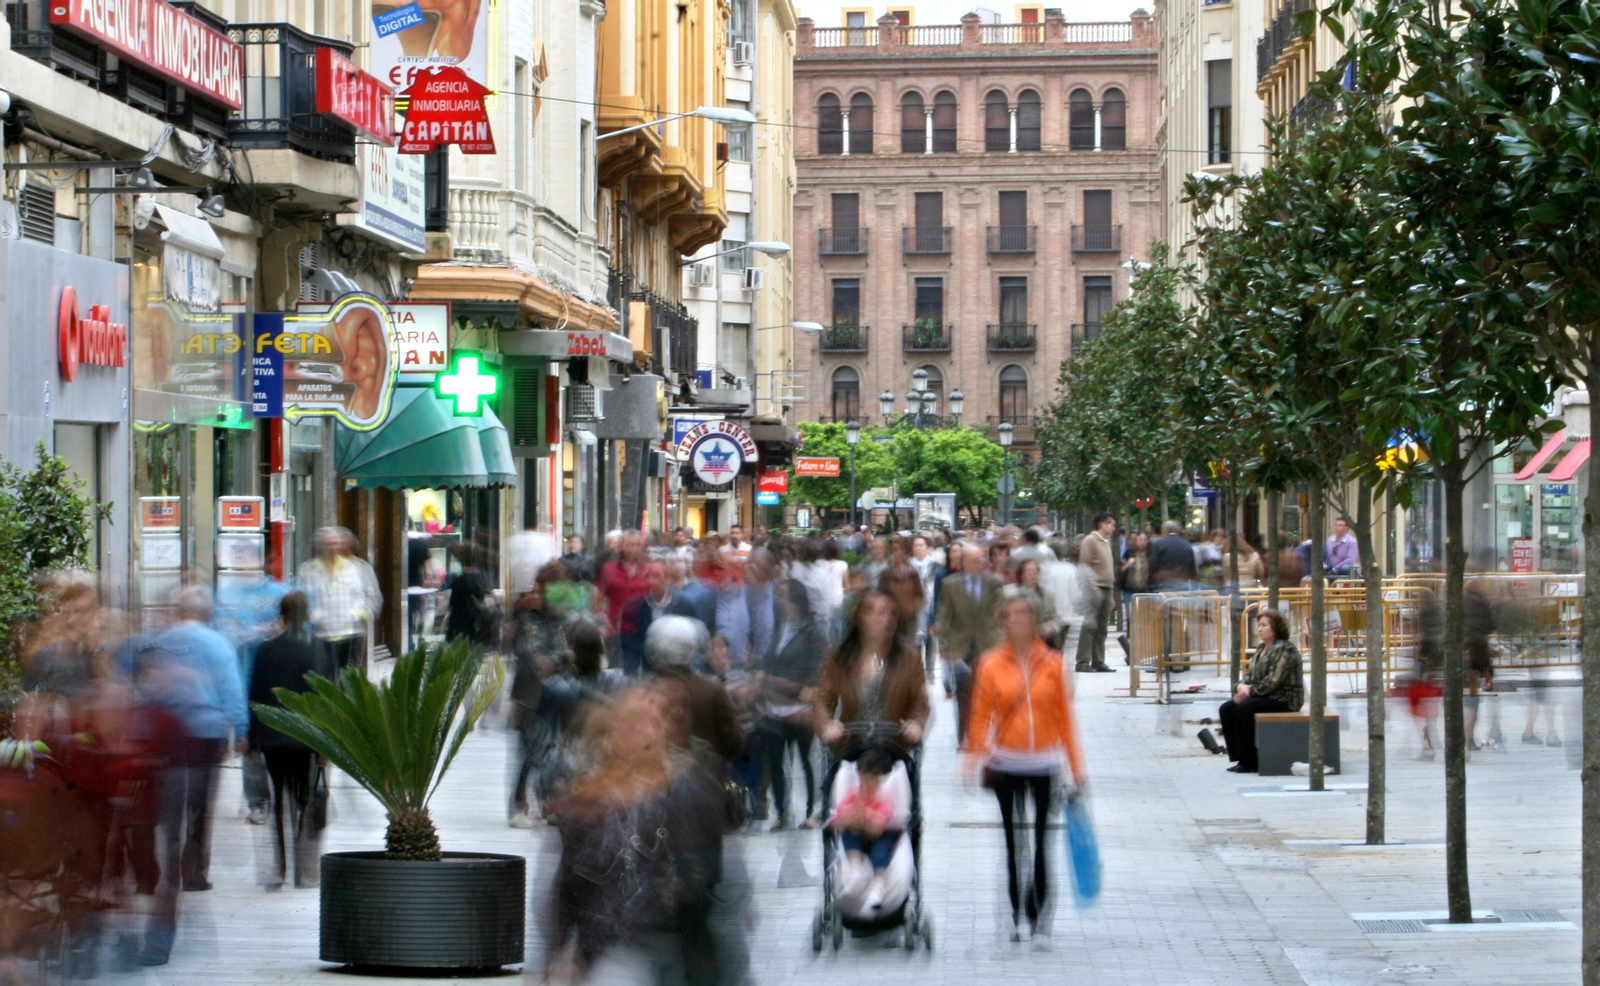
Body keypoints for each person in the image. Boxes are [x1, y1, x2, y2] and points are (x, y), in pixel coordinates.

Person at [964, 593, 1087, 945]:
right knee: (1013, 844)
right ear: (1002, 621)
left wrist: (1076, 770)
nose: (1017, 620)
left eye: (1024, 614)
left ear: (1034, 621)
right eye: (1011, 615)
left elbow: (1066, 720)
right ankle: (1017, 915)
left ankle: (1040, 919)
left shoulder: (1052, 663)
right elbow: (979, 715)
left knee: (1040, 842)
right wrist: (973, 757)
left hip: (1045, 762)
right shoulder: (989, 664)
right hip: (1007, 763)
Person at [247, 591, 329, 889]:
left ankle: (280, 866)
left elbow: (255, 696)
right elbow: (326, 698)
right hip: (305, 738)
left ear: (281, 615)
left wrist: (252, 741)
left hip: (272, 737)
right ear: (306, 615)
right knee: (304, 800)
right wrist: (326, 745)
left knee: (279, 802)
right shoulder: (317, 650)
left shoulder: (265, 650)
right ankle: (303, 868)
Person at [814, 589, 930, 750]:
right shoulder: (838, 656)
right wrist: (828, 725)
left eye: (892, 614)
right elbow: (822, 699)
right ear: (860, 617)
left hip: (893, 746)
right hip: (851, 745)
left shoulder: (909, 657)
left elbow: (920, 702)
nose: (887, 619)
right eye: (879, 613)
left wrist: (916, 724)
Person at [755, 580, 828, 829]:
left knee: (806, 760)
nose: (780, 600)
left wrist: (800, 692)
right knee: (776, 761)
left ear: (797, 599)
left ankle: (812, 810)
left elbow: (818, 665)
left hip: (800, 706)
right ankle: (782, 812)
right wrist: (761, 675)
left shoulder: (812, 630)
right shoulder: (782, 626)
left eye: (784, 596)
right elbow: (769, 657)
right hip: (774, 705)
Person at [508, 581, 568, 827]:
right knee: (529, 750)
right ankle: (519, 804)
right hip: (529, 693)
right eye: (530, 592)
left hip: (555, 689)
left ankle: (549, 802)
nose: (534, 597)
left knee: (554, 747)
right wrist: (558, 659)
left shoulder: (556, 621)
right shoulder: (523, 622)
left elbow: (565, 650)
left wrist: (557, 661)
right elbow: (527, 653)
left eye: (538, 592)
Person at [1219, 609, 1305, 773]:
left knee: (1245, 708)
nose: (1260, 629)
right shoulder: (1261, 649)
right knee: (1227, 708)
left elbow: (1274, 681)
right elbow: (1249, 675)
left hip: (1284, 698)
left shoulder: (1284, 649)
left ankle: (1252, 759)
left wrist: (1249, 691)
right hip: (1264, 695)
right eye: (1259, 625)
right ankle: (1242, 758)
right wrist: (1240, 686)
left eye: (1264, 625)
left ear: (1276, 628)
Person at [936, 544, 1004, 748]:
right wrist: (944, 644)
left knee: (988, 694)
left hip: (987, 646)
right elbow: (943, 616)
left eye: (982, 559)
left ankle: (987, 736)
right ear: (964, 562)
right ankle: (963, 738)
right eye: (975, 560)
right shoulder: (950, 584)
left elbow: (1000, 614)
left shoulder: (994, 583)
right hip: (960, 648)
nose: (980, 564)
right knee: (963, 696)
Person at [297, 527, 382, 673]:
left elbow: (369, 597)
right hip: (320, 635)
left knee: (349, 679)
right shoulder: (307, 570)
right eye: (329, 544)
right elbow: (300, 599)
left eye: (336, 543)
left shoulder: (355, 568)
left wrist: (358, 614)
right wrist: (311, 618)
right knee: (324, 679)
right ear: (320, 546)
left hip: (351, 633)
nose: (333, 548)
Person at [828, 746, 901, 914]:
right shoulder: (852, 795)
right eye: (864, 780)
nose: (867, 785)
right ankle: (854, 870)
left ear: (881, 780)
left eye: (873, 781)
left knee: (881, 854)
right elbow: (838, 819)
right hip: (857, 834)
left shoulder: (884, 798)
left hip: (879, 836)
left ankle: (877, 889)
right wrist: (851, 818)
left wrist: (865, 815)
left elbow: (880, 824)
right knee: (849, 839)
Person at [620, 558, 700, 675]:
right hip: (648, 676)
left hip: (676, 676)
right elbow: (630, 650)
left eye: (656, 576)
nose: (650, 581)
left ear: (668, 579)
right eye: (647, 576)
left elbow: (692, 646)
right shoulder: (634, 608)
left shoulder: (685, 607)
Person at [1074, 512, 1117, 673]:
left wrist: (1111, 593)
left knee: (1102, 627)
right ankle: (1083, 661)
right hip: (1095, 587)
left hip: (1106, 587)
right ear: (1102, 524)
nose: (1113, 527)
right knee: (1090, 625)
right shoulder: (1090, 540)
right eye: (1111, 523)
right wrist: (1090, 585)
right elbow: (1084, 564)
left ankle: (1099, 661)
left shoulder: (1105, 542)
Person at [443, 544, 500, 648]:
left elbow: (454, 611)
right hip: (481, 627)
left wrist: (448, 637)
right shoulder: (483, 579)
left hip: (463, 629)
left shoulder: (459, 582)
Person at [1012, 561, 1061, 649]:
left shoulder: (1047, 595)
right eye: (1029, 571)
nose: (1033, 574)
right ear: (1021, 574)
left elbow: (1056, 618)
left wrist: (1051, 627)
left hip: (1043, 642)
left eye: (1035, 571)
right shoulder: (1012, 594)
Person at [1149, 520, 1199, 590]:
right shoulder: (1187, 545)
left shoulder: (1158, 544)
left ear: (1165, 530)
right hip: (1183, 584)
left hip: (1163, 584)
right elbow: (1192, 568)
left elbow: (1153, 566)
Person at [1116, 530, 1151, 630]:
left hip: (1145, 589)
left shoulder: (1151, 554)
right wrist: (1127, 564)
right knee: (1130, 615)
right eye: (1140, 539)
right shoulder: (1129, 553)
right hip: (1129, 588)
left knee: (1143, 616)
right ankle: (1131, 638)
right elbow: (1120, 569)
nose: (1142, 542)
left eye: (1145, 539)